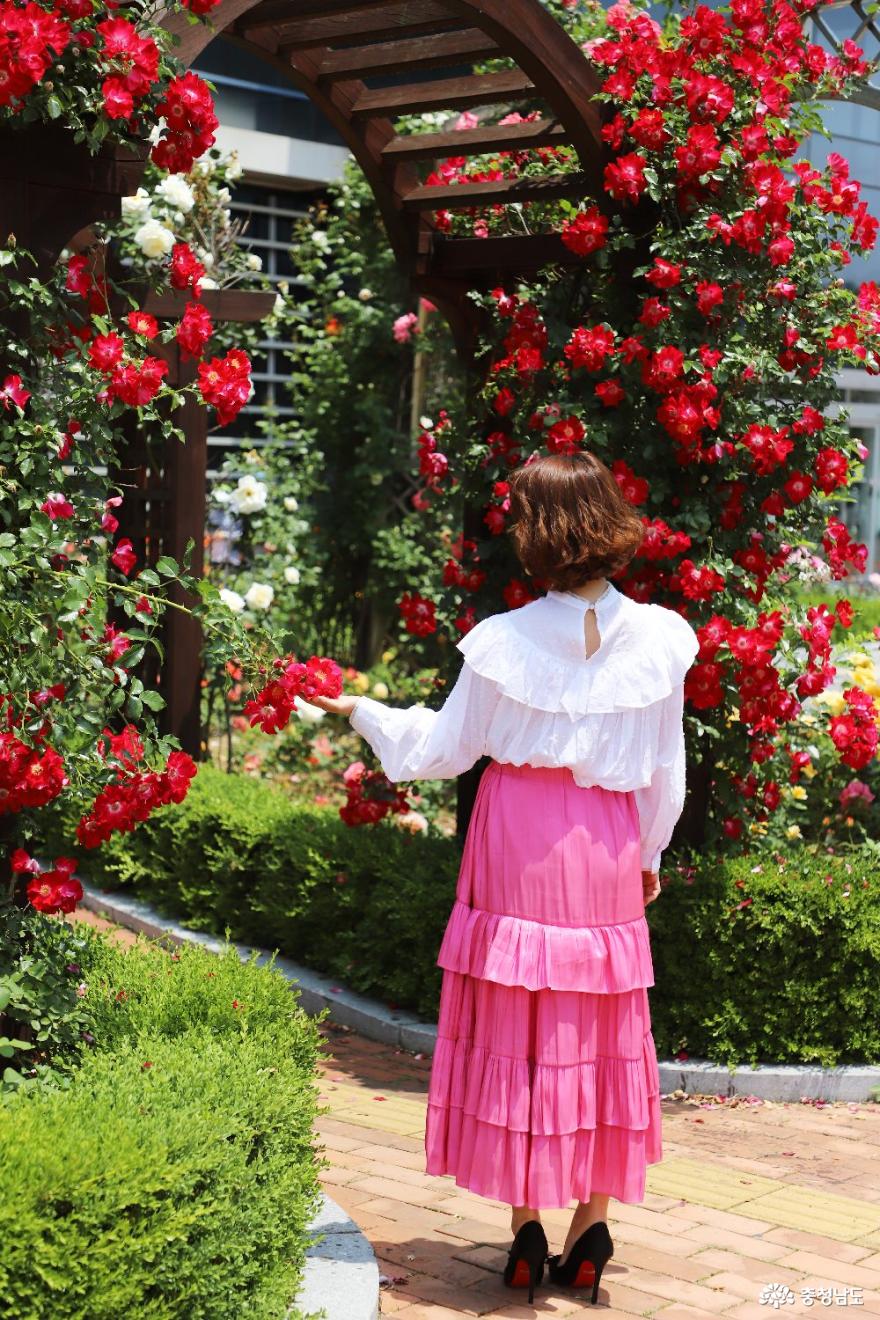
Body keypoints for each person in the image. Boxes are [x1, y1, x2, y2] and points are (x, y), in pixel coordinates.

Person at [310, 451, 700, 1306]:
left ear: (540, 531)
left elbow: (442, 751)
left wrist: (360, 710)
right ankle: (589, 1229)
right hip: (607, 837)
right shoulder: (663, 639)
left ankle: (525, 1231)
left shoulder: (502, 643)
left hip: (516, 837)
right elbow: (666, 773)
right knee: (599, 1027)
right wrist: (650, 858)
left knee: (517, 1029)